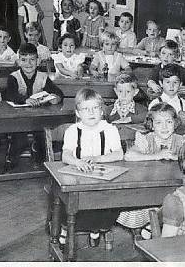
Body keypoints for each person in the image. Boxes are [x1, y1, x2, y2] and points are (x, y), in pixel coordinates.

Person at [117, 103, 185, 239]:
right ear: (151, 125)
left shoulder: (182, 140)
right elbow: (128, 156)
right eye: (159, 123)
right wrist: (157, 155)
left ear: (175, 123)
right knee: (135, 213)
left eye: (169, 122)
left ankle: (157, 226)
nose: (164, 127)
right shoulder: (146, 140)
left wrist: (176, 157)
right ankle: (153, 224)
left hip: (175, 190)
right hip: (151, 191)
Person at [60, 88, 123, 248]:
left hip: (102, 176)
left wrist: (97, 159)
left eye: (95, 108)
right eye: (86, 109)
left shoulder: (109, 129)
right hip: (78, 176)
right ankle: (66, 227)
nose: (91, 112)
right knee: (69, 198)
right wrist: (77, 162)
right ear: (78, 113)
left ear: (102, 111)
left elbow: (118, 154)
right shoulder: (73, 131)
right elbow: (65, 155)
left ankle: (96, 227)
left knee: (108, 198)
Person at [5, 43, 63, 168]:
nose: (28, 63)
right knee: (19, 137)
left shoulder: (43, 77)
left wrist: (56, 98)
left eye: (32, 59)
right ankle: (12, 160)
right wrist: (25, 100)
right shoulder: (13, 77)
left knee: (42, 134)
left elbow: (57, 92)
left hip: (38, 118)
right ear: (18, 61)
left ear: (38, 61)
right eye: (24, 60)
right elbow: (10, 95)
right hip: (18, 118)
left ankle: (40, 160)